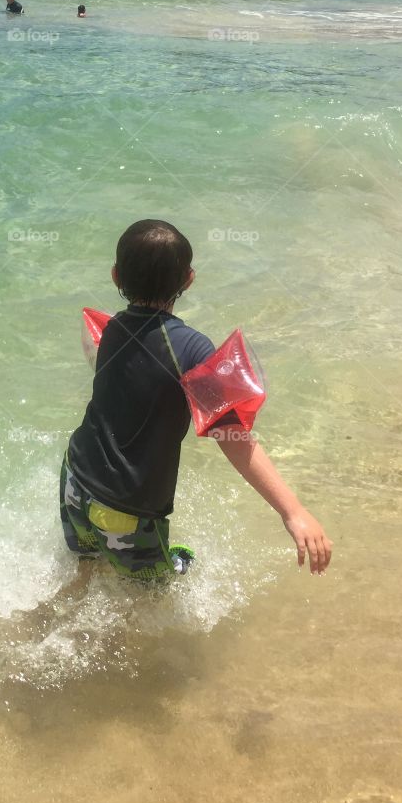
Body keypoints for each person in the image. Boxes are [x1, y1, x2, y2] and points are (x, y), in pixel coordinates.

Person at [62, 219, 333, 581]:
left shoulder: (111, 328)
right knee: (151, 599)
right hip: (126, 511)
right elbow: (232, 437)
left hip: (74, 483)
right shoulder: (191, 350)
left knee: (87, 570)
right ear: (189, 280)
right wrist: (293, 510)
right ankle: (162, 568)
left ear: (115, 276)